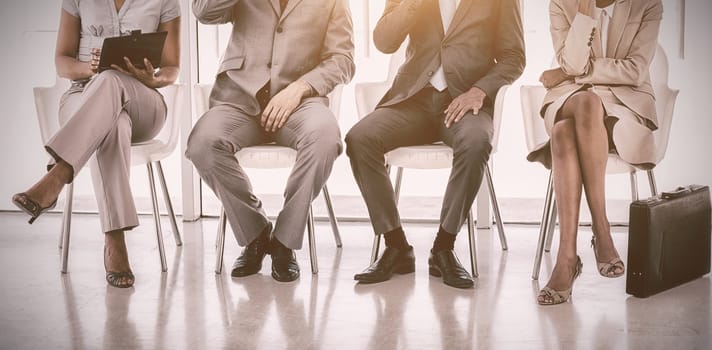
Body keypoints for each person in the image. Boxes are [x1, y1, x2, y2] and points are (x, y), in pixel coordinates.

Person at [346, 0, 525, 289]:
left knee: (477, 141)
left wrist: (479, 91)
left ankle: (444, 246)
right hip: (413, 100)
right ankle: (396, 246)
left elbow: (513, 56)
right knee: (360, 138)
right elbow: (384, 41)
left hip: (464, 102)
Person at [11, 0, 181, 288]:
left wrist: (150, 77)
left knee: (113, 80)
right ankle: (115, 240)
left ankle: (60, 171)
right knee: (112, 121)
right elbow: (62, 62)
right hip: (84, 96)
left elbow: (172, 68)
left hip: (143, 101)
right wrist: (91, 69)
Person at [187, 0, 355, 282]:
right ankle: (256, 232)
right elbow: (204, 12)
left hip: (298, 103)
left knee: (325, 137)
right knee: (202, 144)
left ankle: (284, 242)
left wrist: (300, 88)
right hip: (239, 99)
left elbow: (343, 59)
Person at [529, 0, 663, 305]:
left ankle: (567, 260)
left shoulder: (649, 4)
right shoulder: (562, 5)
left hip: (625, 104)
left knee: (563, 132)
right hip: (573, 98)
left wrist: (573, 74)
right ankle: (602, 232)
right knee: (587, 103)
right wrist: (585, 14)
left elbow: (635, 70)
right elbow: (572, 65)